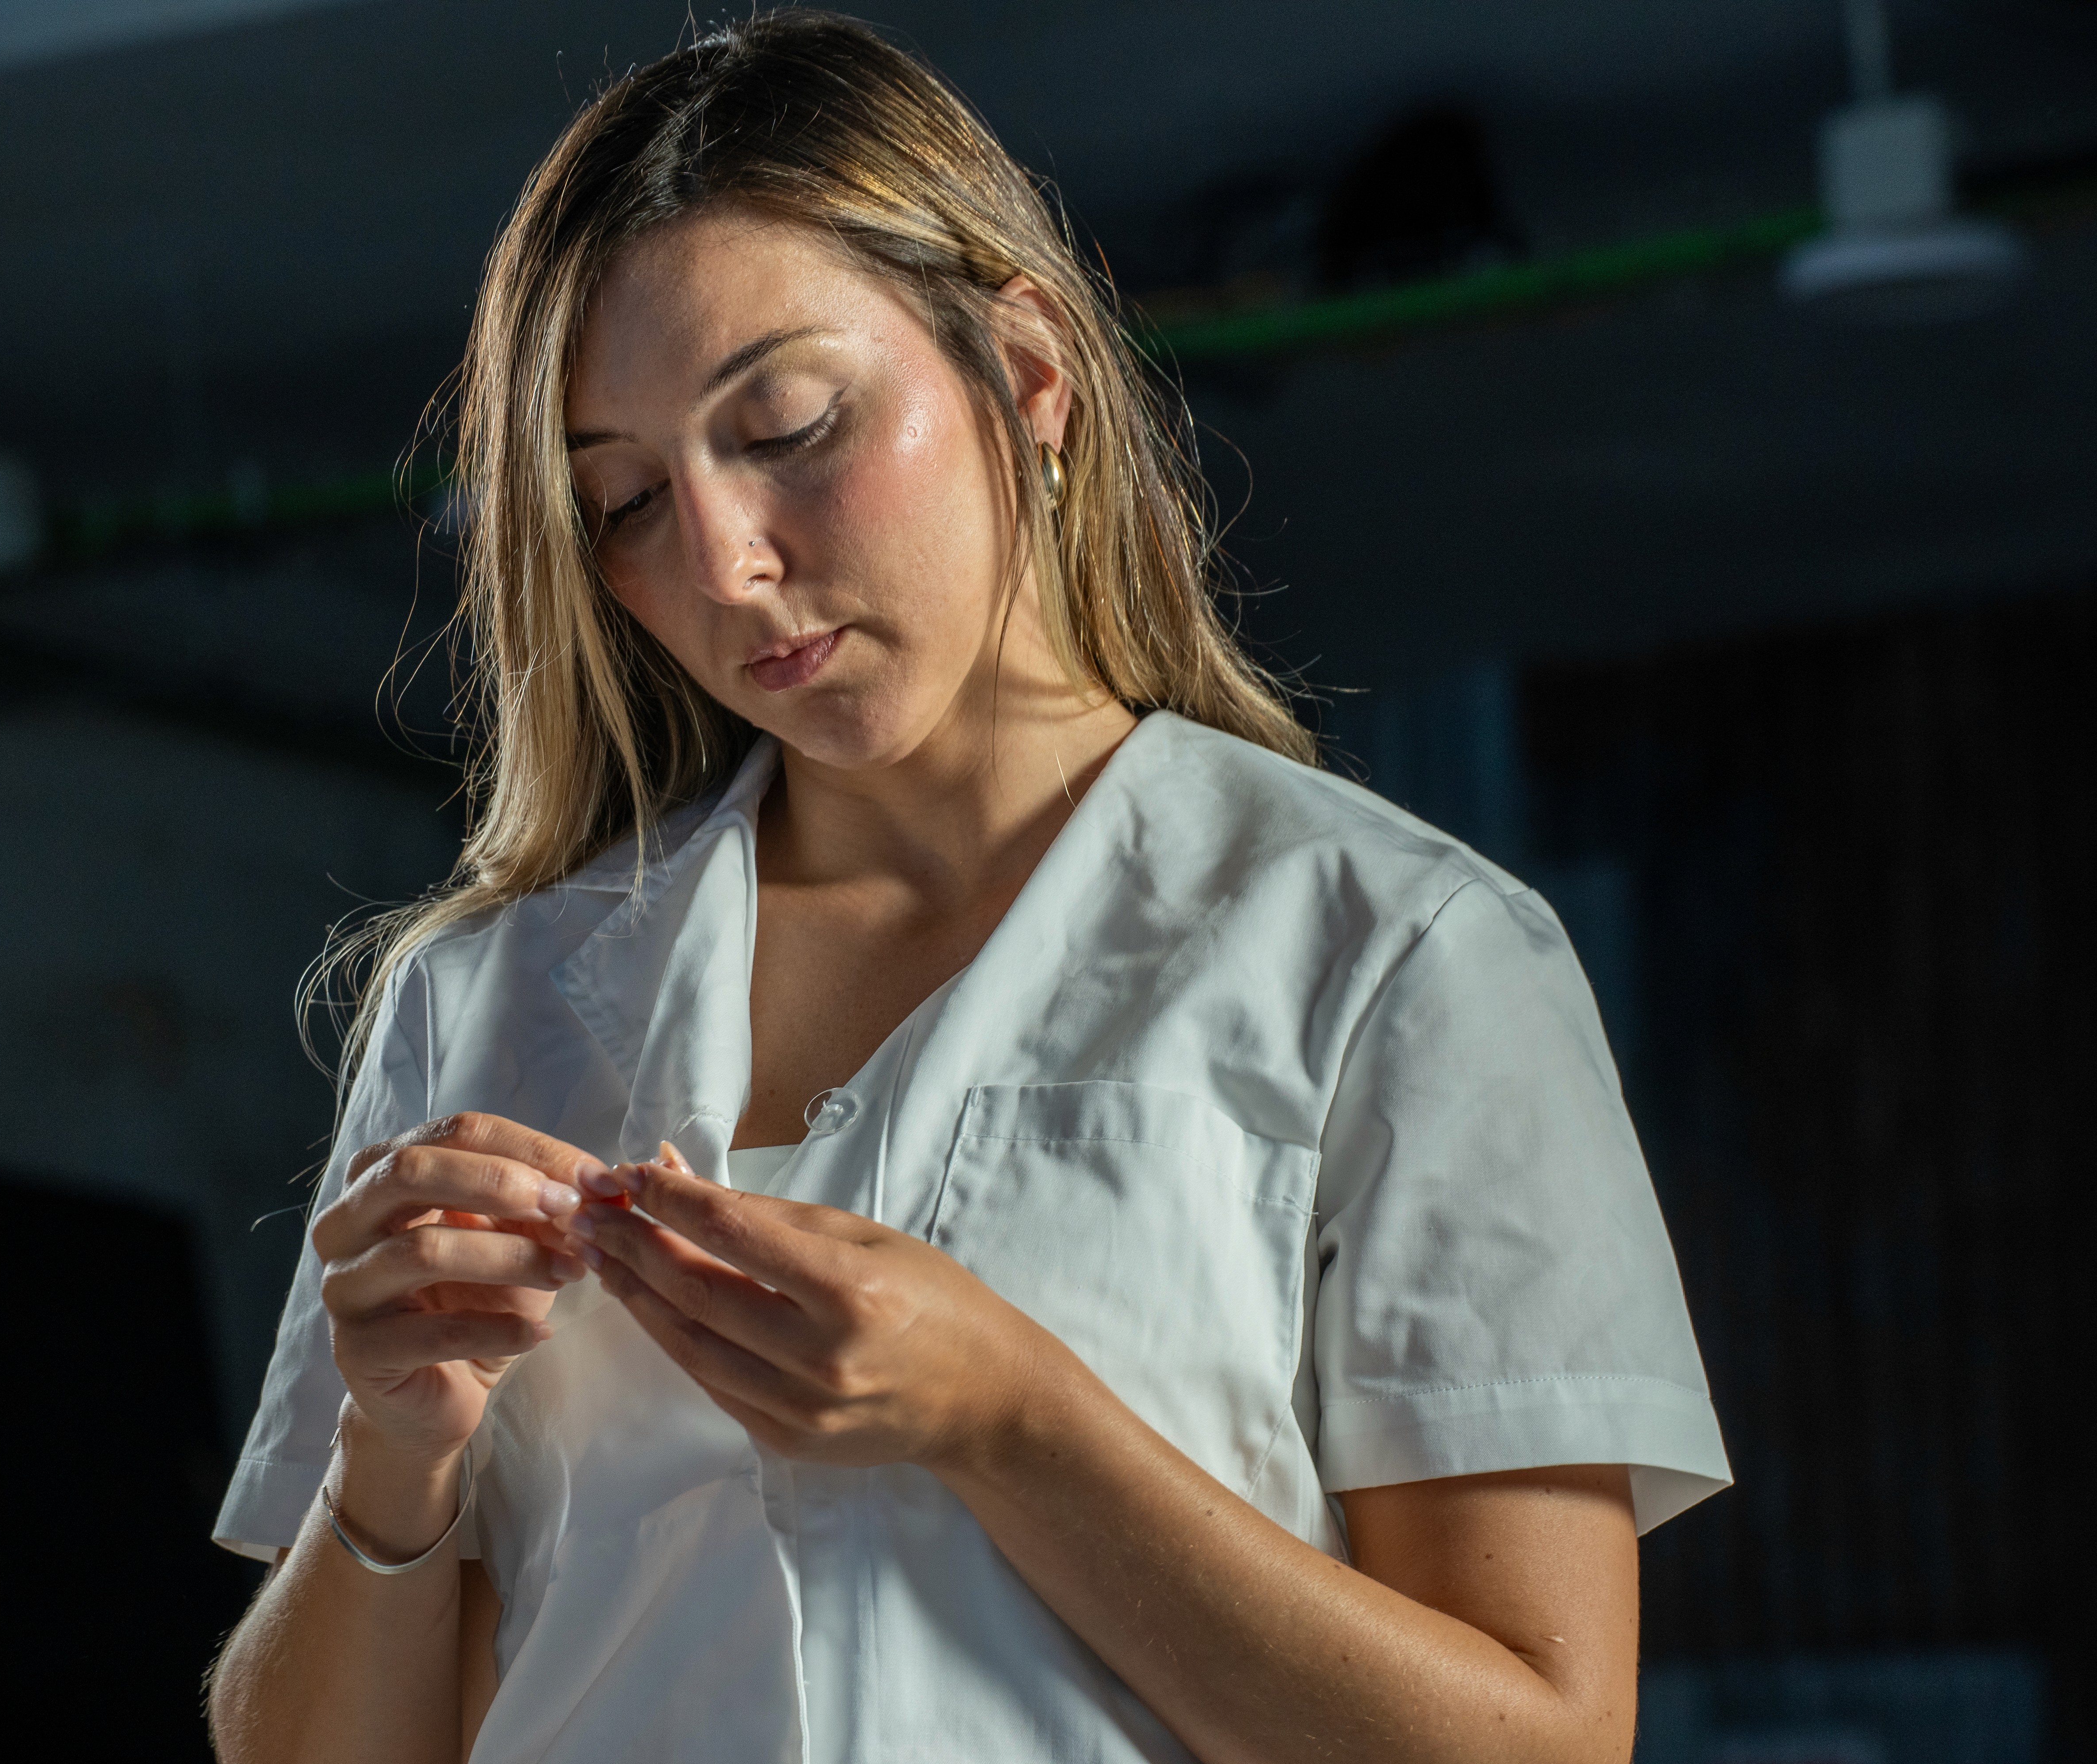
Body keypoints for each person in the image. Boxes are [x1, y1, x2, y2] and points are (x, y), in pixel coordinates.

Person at [206, 14, 1729, 1764]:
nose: (721, 565)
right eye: (621, 498)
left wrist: (1015, 1421)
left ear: (1028, 373)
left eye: (785, 425)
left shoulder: (1399, 956)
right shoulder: (484, 999)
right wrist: (390, 1462)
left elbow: (1542, 1744)